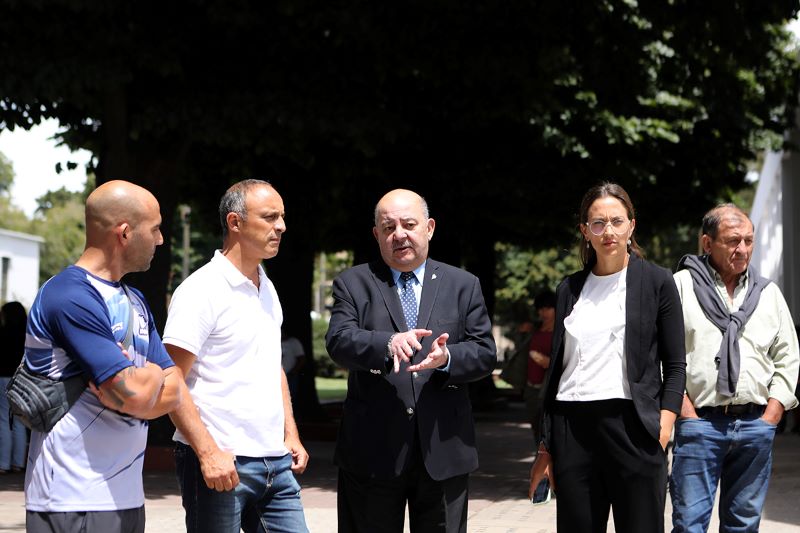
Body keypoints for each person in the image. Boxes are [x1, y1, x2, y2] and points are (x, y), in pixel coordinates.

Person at [326, 188, 497, 533]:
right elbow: (339, 341)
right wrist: (388, 343)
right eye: (388, 227)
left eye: (409, 224)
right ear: (376, 234)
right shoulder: (353, 283)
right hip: (372, 452)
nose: (399, 234)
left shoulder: (463, 284)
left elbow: (484, 352)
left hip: (444, 450)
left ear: (429, 228)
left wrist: (447, 357)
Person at [22, 180, 182, 533]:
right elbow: (139, 394)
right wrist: (154, 376)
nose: (160, 240)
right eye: (155, 229)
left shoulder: (135, 301)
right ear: (124, 233)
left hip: (126, 499)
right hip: (69, 501)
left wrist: (143, 385)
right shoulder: (69, 295)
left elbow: (176, 392)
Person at [529, 182, 686, 533]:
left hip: (634, 427)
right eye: (598, 223)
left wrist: (662, 430)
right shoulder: (569, 289)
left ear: (632, 224)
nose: (608, 231)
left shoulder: (658, 281)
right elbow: (557, 370)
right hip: (573, 429)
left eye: (616, 221)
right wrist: (547, 445)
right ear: (585, 231)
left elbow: (675, 366)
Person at [163, 179, 310, 533]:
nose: (281, 226)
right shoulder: (200, 290)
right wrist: (208, 453)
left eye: (283, 217)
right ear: (235, 223)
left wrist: (290, 434)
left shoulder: (266, 286)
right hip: (220, 462)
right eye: (270, 217)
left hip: (275, 462)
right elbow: (170, 380)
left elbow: (271, 365)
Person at [669, 204, 799, 533]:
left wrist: (773, 412)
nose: (742, 249)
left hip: (756, 424)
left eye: (748, 241)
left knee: (744, 525)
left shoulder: (768, 293)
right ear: (708, 244)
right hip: (700, 423)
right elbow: (662, 354)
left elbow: (787, 354)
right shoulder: (681, 286)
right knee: (689, 525)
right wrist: (684, 410)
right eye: (732, 241)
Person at [0, 301, 28, 474]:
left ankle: (3, 463)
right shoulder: (27, 334)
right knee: (20, 420)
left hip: (3, 377)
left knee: (3, 420)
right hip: (22, 379)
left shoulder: (2, 333)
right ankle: (18, 462)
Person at [524, 290, 555, 444]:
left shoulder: (561, 332)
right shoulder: (533, 330)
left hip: (548, 389)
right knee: (536, 430)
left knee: (547, 432)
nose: (544, 312)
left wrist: (547, 362)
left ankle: (545, 465)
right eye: (541, 308)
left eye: (548, 308)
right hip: (530, 388)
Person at [281, 327, 306, 401]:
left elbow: (301, 359)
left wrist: (292, 372)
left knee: (291, 398)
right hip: (276, 376)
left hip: (290, 376)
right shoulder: (272, 342)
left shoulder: (294, 342)